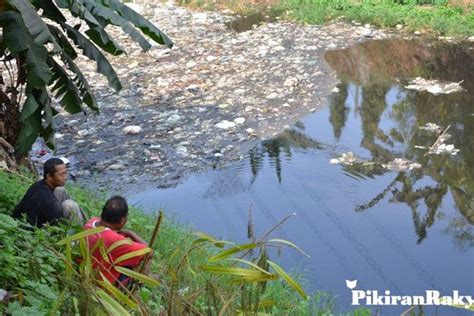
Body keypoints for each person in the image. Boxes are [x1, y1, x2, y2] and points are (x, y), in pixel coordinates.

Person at [84, 195, 152, 287]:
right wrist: (130, 233)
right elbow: (149, 252)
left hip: (87, 268)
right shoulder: (115, 240)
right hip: (102, 280)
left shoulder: (91, 223)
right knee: (146, 259)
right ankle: (138, 285)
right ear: (122, 220)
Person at [12, 157, 86, 227]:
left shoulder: (39, 185)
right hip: (33, 229)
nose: (65, 177)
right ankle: (81, 236)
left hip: (29, 217)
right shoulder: (47, 199)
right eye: (61, 174)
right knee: (70, 205)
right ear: (49, 176)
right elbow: (57, 225)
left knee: (61, 190)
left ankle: (85, 224)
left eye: (65, 173)